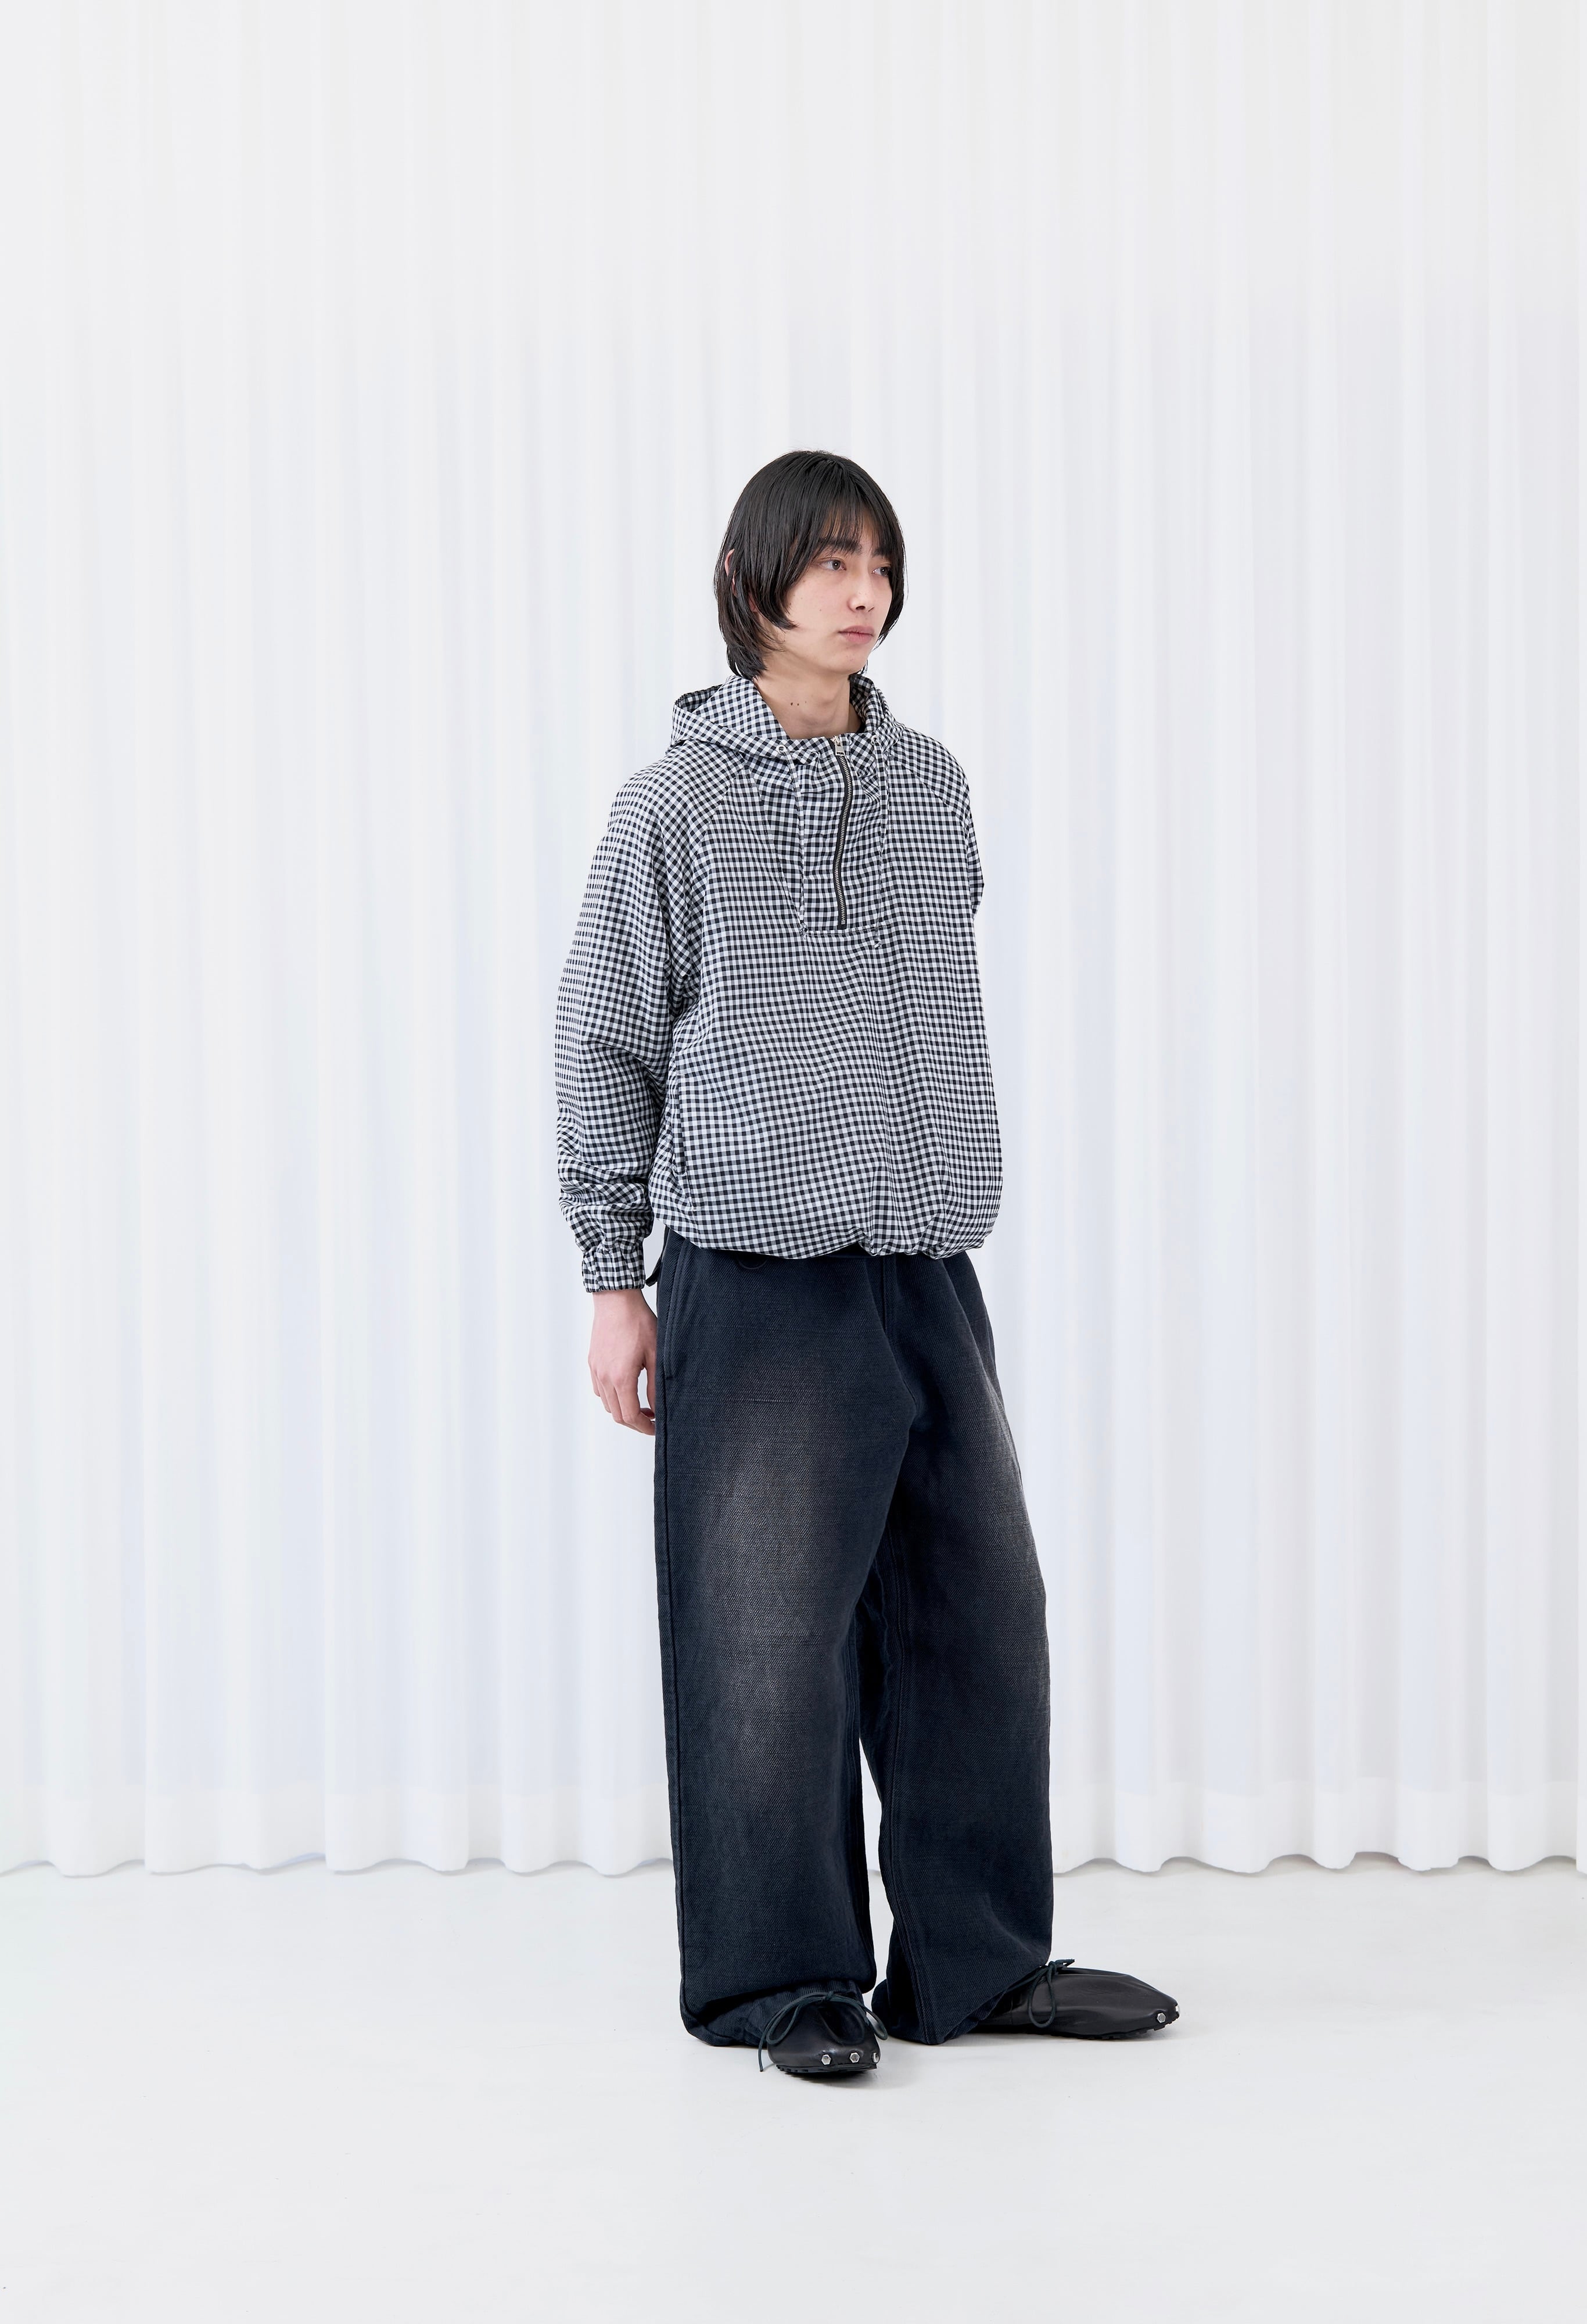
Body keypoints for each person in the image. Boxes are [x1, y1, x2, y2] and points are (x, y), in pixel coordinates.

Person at [555, 449, 1179, 2078]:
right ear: (751, 578)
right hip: (754, 1272)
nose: (863, 592)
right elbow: (606, 1039)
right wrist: (615, 1277)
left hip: (923, 1258)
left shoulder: (929, 785)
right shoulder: (671, 807)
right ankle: (782, 1982)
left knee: (982, 1618)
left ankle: (976, 1966)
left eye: (881, 564)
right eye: (831, 561)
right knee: (765, 1637)